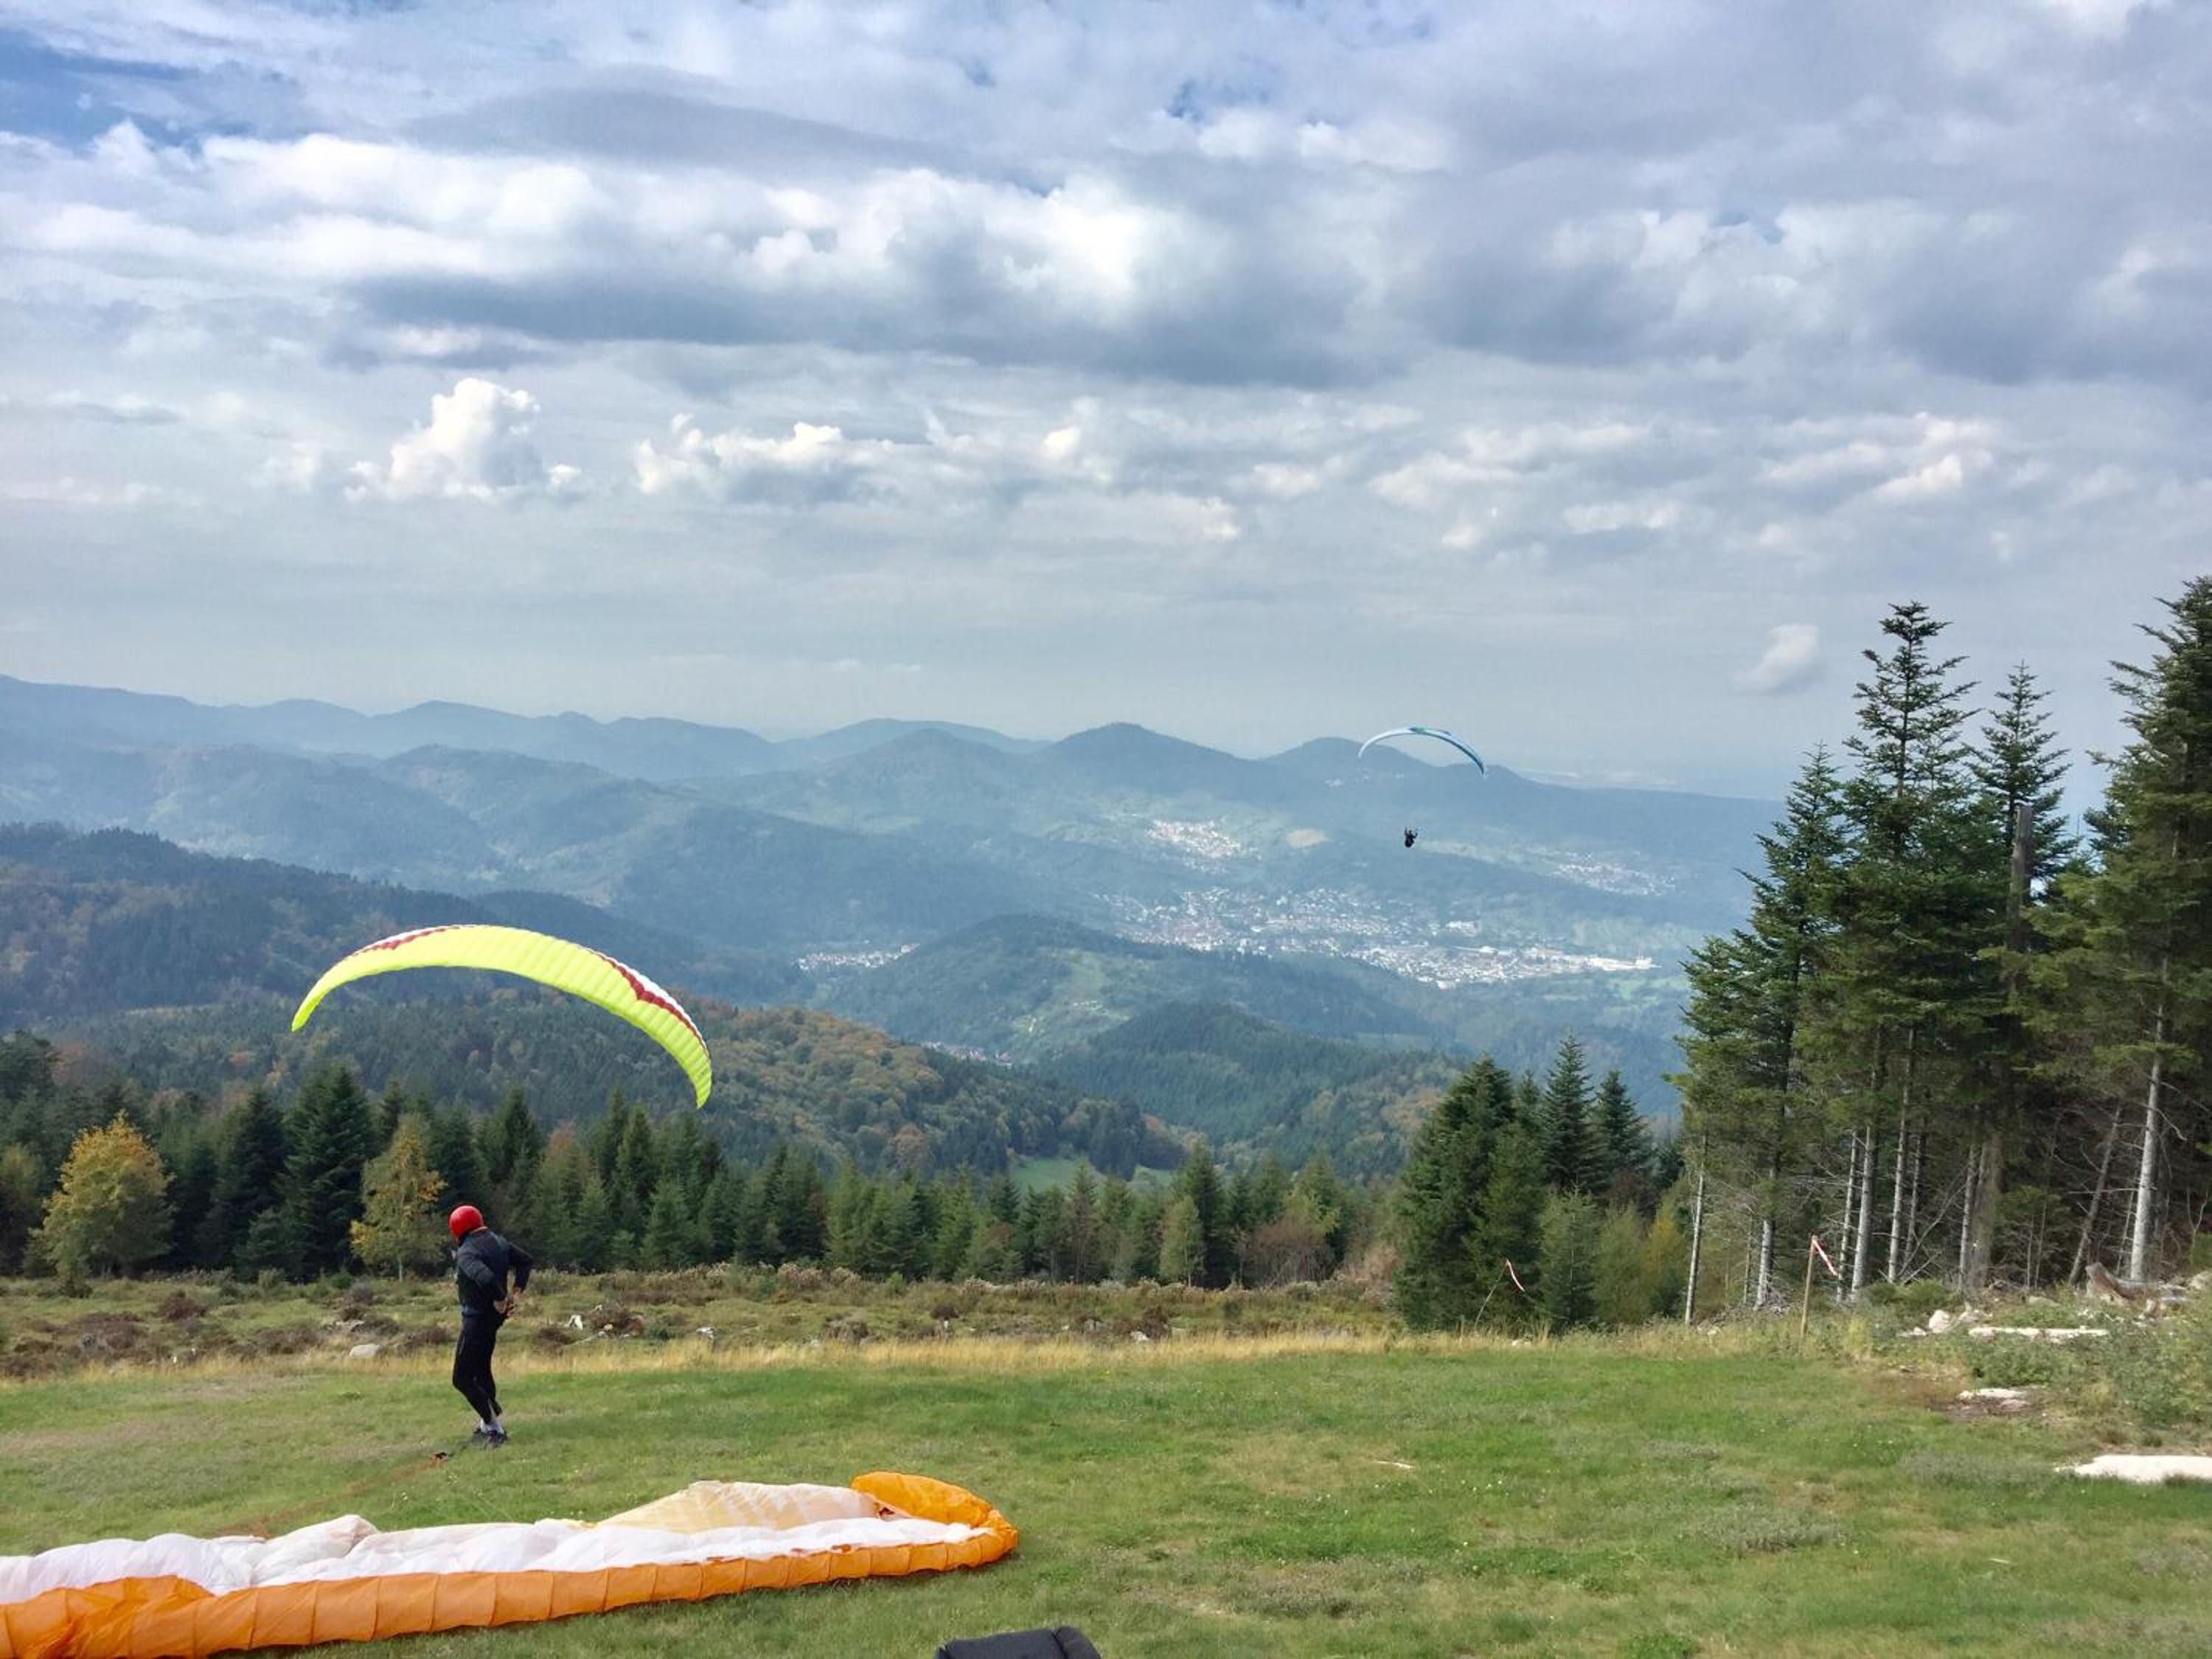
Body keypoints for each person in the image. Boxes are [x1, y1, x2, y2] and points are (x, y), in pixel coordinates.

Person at [448, 1204, 532, 1447]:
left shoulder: (466, 1252)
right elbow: (525, 1261)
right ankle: (488, 1422)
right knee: (481, 1369)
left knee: (462, 1378)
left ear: (457, 1230)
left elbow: (484, 1277)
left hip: (477, 1319)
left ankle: (495, 1428)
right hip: (494, 1319)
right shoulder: (498, 1241)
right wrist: (515, 1293)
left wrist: (500, 1298)